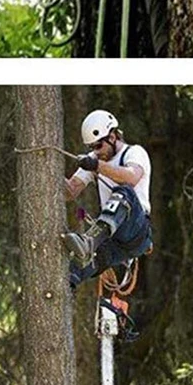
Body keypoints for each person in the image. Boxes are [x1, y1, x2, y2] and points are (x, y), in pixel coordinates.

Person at [63, 109, 153, 288]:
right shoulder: (95, 159)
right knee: (75, 267)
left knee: (124, 192)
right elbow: (70, 191)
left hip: (136, 227)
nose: (96, 152)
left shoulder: (134, 153)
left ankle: (90, 240)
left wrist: (96, 166)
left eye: (98, 146)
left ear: (112, 137)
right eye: (91, 148)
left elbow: (131, 177)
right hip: (114, 239)